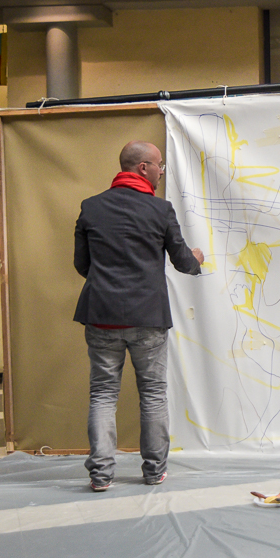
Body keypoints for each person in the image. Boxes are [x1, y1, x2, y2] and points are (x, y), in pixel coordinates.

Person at [74, 141, 204, 491]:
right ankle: (154, 471)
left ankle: (101, 475)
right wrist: (197, 258)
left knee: (103, 394)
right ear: (143, 168)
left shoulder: (91, 207)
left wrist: (108, 282)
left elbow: (82, 264)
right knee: (153, 394)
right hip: (148, 317)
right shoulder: (160, 210)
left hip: (101, 315)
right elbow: (183, 263)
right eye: (160, 165)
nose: (162, 171)